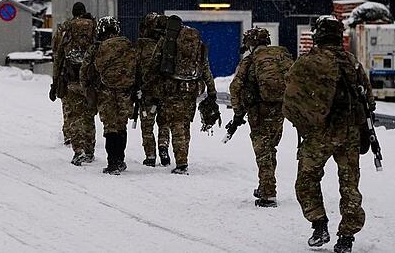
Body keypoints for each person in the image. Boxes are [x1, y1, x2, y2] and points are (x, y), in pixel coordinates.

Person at [283, 16, 375, 253]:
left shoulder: (309, 61)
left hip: (319, 134)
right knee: (350, 185)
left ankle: (319, 224)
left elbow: (291, 96)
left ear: (318, 35)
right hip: (350, 133)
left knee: (306, 180)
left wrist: (306, 121)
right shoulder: (352, 62)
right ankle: (346, 237)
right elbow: (369, 101)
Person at [227, 27, 294, 208]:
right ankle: (265, 186)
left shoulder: (250, 61)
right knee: (271, 148)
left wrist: (238, 111)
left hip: (259, 111)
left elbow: (235, 87)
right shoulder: (281, 56)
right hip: (280, 110)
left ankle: (268, 194)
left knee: (263, 151)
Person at [144, 15, 216, 175]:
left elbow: (154, 64)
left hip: (172, 88)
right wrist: (211, 90)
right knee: (185, 124)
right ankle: (184, 155)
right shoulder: (198, 44)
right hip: (192, 89)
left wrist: (147, 83)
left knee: (176, 124)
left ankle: (181, 162)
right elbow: (205, 68)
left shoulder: (168, 42)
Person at [80, 16, 136, 175]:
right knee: (121, 125)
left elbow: (85, 70)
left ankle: (112, 163)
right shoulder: (127, 44)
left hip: (104, 92)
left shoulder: (96, 47)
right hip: (125, 91)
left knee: (110, 127)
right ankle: (120, 159)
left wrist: (88, 90)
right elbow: (135, 67)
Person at [51, 2, 97, 166]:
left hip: (70, 79)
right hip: (89, 81)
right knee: (88, 116)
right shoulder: (94, 27)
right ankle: (90, 150)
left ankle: (78, 151)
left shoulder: (65, 28)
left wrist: (55, 82)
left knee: (75, 116)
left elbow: (57, 56)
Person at [134, 13, 171, 167]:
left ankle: (150, 155)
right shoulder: (167, 45)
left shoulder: (142, 47)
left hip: (147, 92)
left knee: (147, 125)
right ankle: (163, 146)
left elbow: (134, 69)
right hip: (165, 91)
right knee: (164, 123)